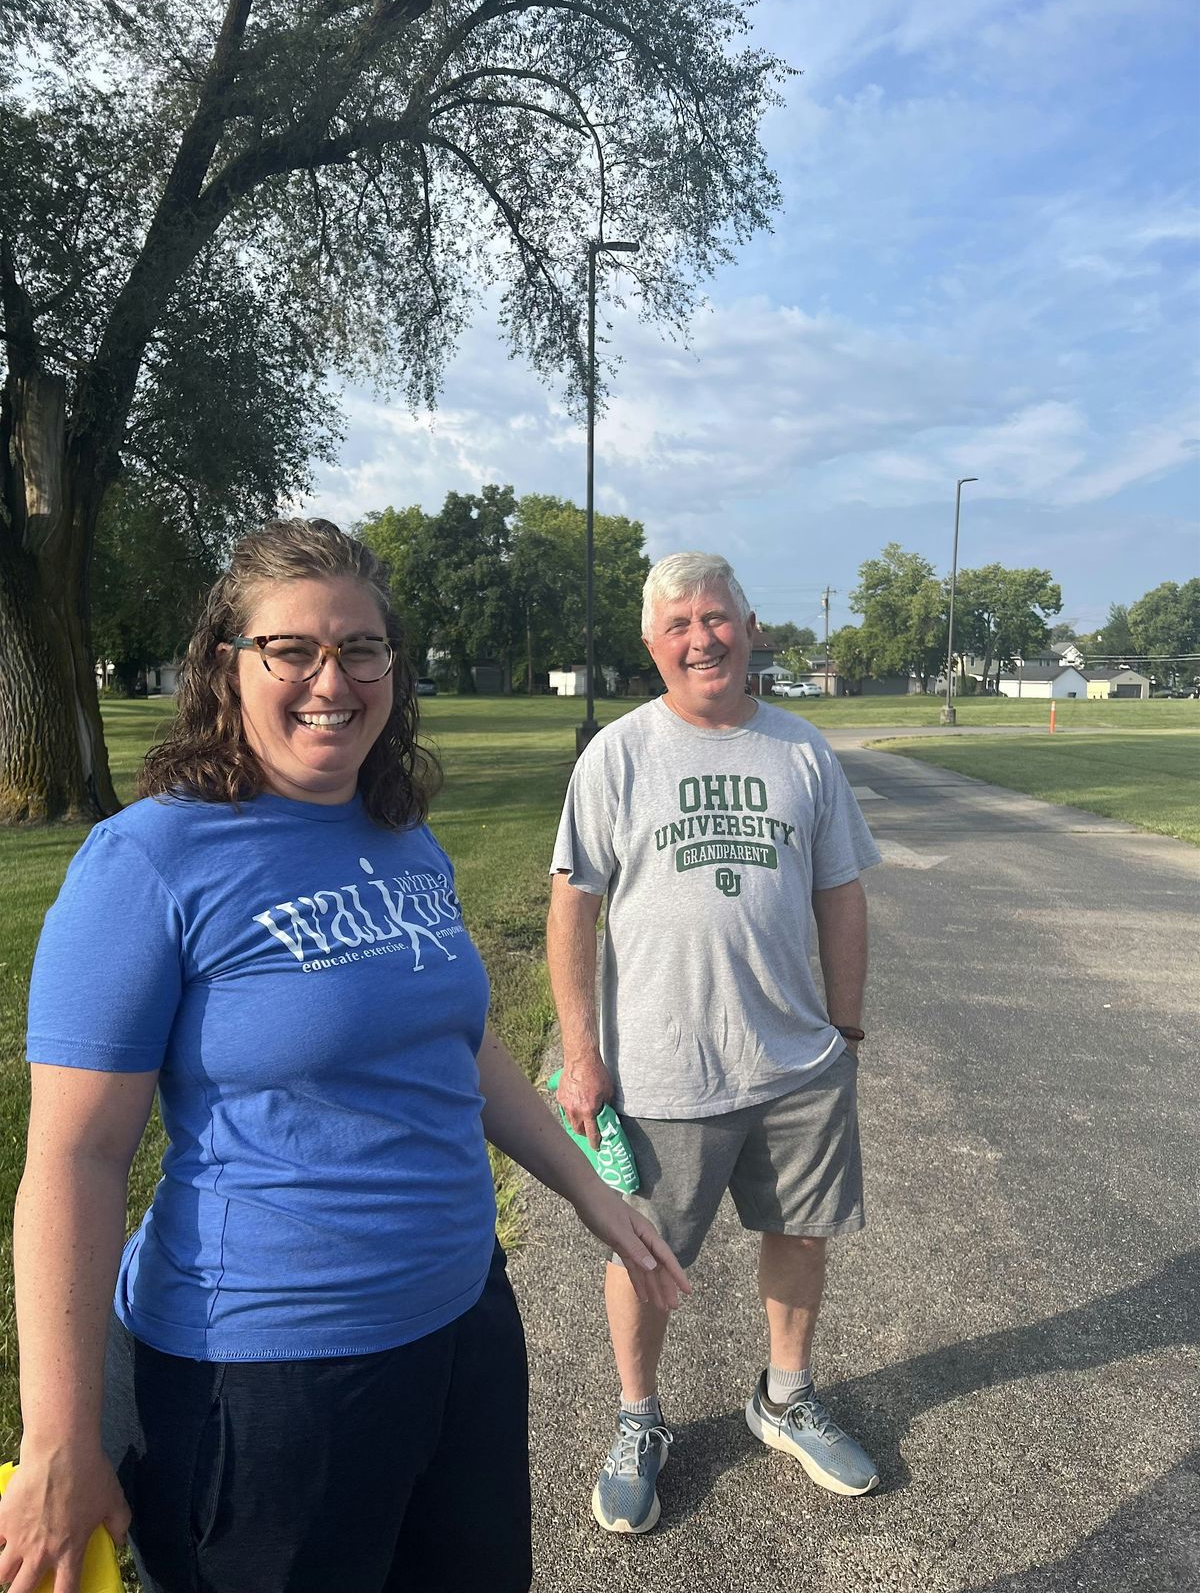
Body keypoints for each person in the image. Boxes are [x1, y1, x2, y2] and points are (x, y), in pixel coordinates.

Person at [2, 517, 688, 1593]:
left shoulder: (397, 830)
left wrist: (588, 1191)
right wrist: (57, 1438)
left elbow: (454, 1045)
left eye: (362, 649)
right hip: (266, 1375)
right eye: (294, 650)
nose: (334, 678)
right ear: (228, 665)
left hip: (463, 1324)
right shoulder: (148, 860)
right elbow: (75, 1160)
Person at [548, 551, 882, 1535]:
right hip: (661, 1067)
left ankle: (783, 1398)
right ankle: (639, 1418)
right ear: (652, 645)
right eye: (680, 624)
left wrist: (847, 1029)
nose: (703, 637)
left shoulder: (802, 750)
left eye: (718, 616)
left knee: (801, 1234)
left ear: (749, 624)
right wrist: (581, 1052)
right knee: (644, 1252)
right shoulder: (619, 754)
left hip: (794, 1062)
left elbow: (841, 891)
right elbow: (572, 909)